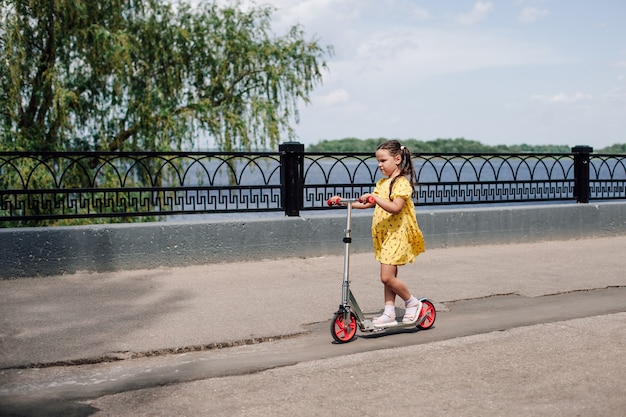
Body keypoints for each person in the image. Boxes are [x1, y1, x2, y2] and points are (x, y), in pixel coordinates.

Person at [333, 139, 425, 326]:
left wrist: (375, 198)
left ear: (397, 159)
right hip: (384, 236)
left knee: (386, 277)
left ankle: (412, 303)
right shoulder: (383, 183)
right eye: (378, 161)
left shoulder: (401, 183)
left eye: (383, 161)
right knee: (389, 278)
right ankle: (389, 311)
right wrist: (342, 201)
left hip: (397, 235)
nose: (379, 165)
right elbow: (368, 203)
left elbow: (395, 207)